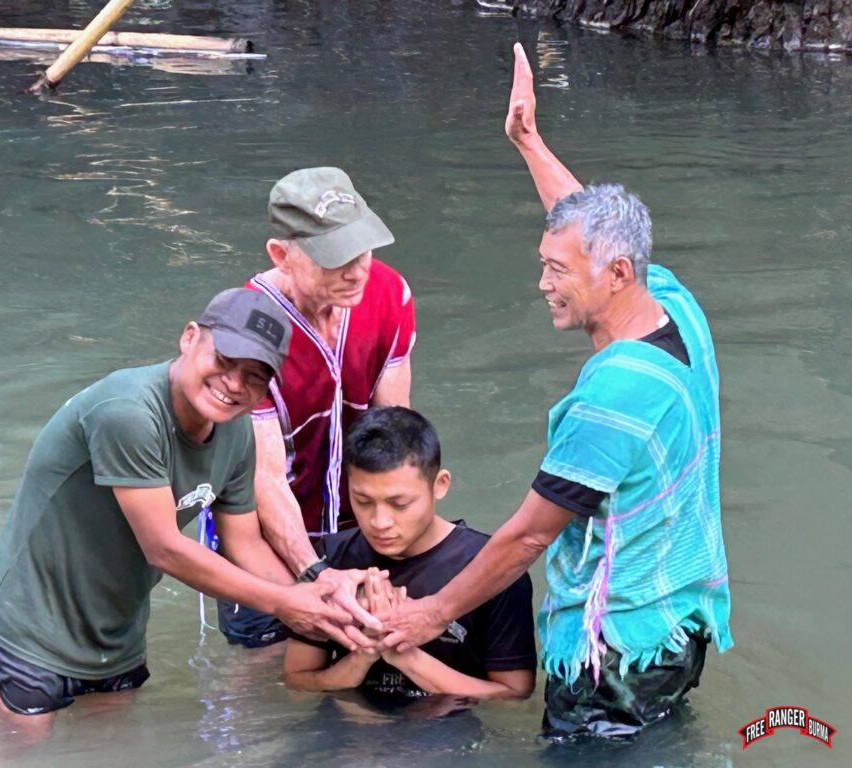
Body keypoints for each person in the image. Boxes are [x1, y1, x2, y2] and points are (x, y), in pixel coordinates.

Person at [382, 44, 733, 737]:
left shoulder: (615, 396)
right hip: (677, 617)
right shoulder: (673, 305)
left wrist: (428, 614)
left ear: (617, 273)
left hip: (615, 652)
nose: (543, 284)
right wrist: (528, 141)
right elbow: (583, 228)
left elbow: (525, 537)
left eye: (556, 272)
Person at [0, 287, 360, 723]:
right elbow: (164, 548)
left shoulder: (236, 434)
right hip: (28, 618)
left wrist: (318, 598)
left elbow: (245, 545)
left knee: (108, 750)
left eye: (255, 375)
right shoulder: (129, 413)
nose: (233, 384)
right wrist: (286, 604)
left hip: (115, 631)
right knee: (27, 751)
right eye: (224, 361)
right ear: (190, 337)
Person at [215, 167, 418, 648]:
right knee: (263, 663)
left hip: (360, 525)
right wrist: (313, 574)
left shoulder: (390, 295)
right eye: (334, 258)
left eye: (362, 250)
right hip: (267, 536)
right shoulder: (248, 328)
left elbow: (395, 434)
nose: (356, 271)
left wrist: (410, 545)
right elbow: (262, 476)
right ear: (281, 255)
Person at [283, 406, 536, 701]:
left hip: (449, 728)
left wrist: (404, 655)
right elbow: (297, 679)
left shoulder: (490, 567)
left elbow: (513, 696)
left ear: (439, 485)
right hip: (352, 726)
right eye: (363, 501)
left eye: (399, 504)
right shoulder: (331, 562)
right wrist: (362, 656)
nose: (379, 522)